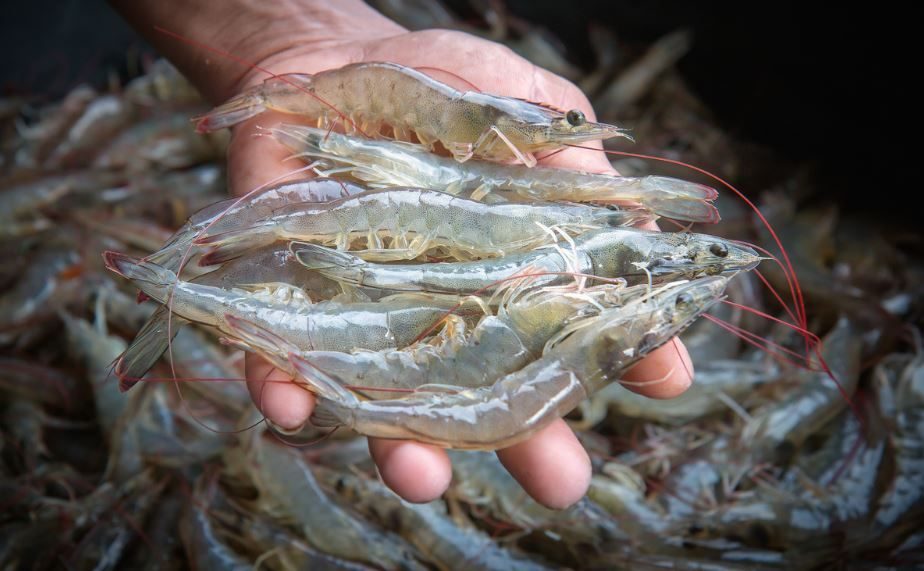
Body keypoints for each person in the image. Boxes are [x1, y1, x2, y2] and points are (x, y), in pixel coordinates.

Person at [113, 0, 695, 508]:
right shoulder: (465, 143)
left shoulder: (499, 198)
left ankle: (190, 284)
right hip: (376, 192)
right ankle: (188, 277)